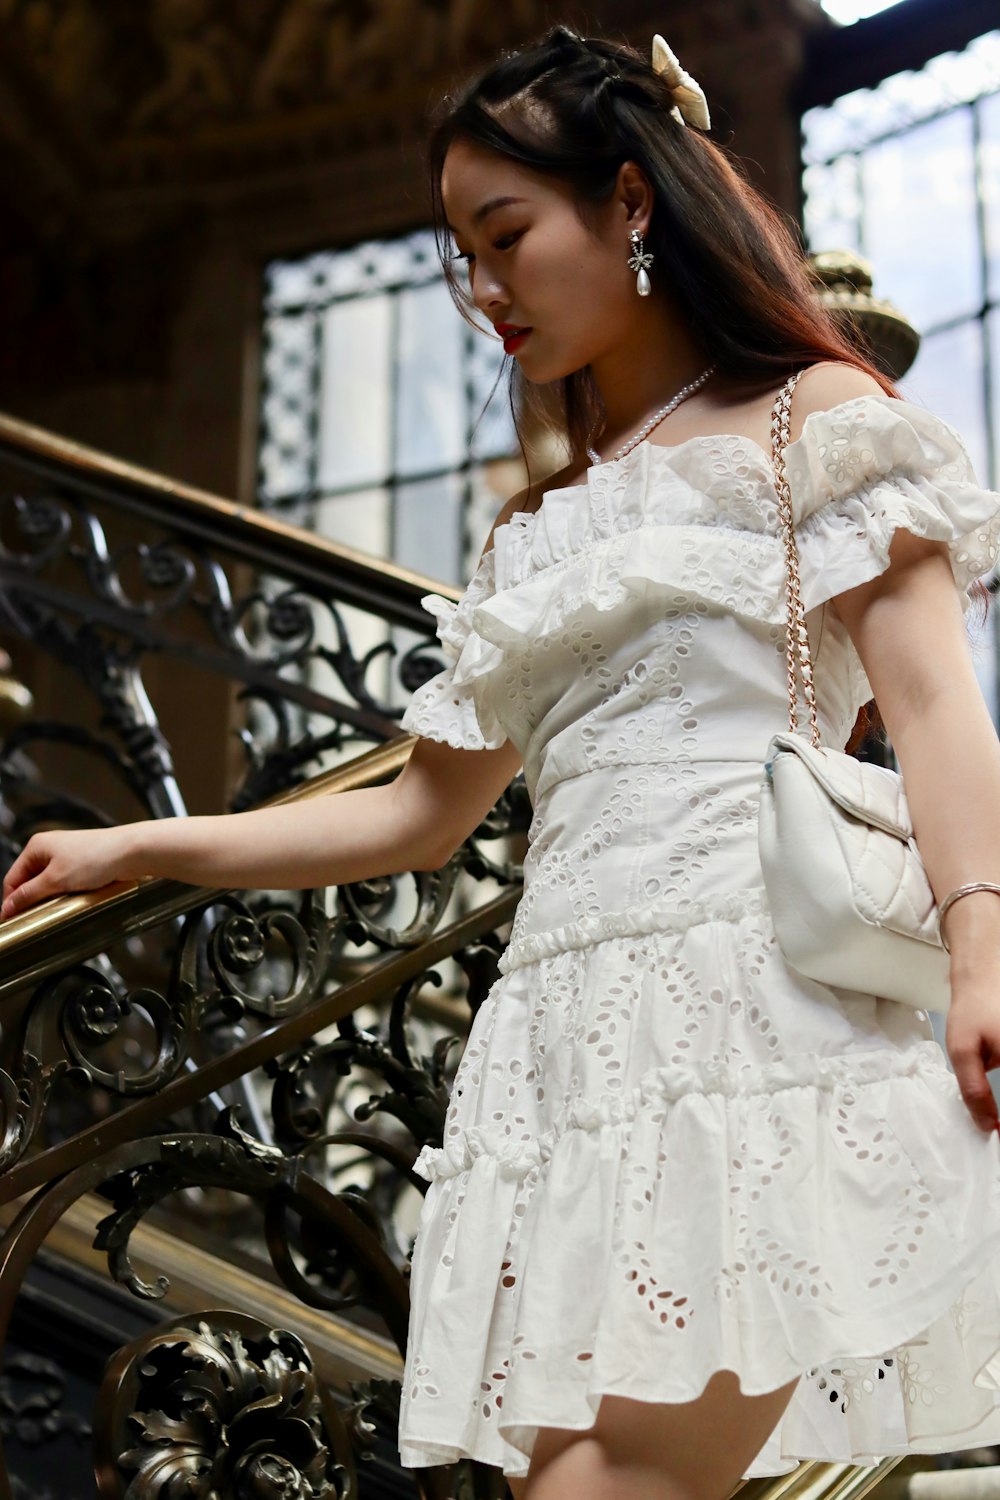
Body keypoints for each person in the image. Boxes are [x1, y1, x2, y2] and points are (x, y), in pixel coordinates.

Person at [5, 22, 1000, 1500]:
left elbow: (933, 712)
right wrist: (142, 847)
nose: (482, 292)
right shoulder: (529, 538)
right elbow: (414, 816)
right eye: (458, 254)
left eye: (505, 233)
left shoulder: (818, 426)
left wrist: (982, 953)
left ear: (631, 202)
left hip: (748, 1026)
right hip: (561, 1059)